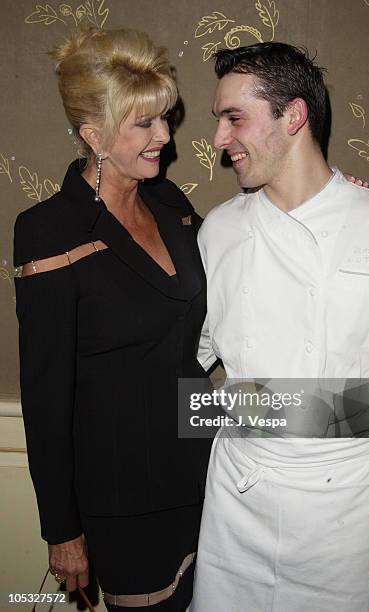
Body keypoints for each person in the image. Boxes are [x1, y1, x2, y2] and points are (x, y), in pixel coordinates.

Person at [191, 42, 369, 612]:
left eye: (234, 119)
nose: (220, 140)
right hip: (236, 501)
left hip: (344, 510)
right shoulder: (217, 232)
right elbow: (191, 356)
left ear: (293, 116)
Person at [14, 28, 211, 611]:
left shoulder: (172, 205)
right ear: (94, 136)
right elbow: (46, 393)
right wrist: (62, 530)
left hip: (204, 472)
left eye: (164, 118)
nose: (165, 137)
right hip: (124, 498)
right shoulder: (49, 229)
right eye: (145, 124)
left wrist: (328, 208)